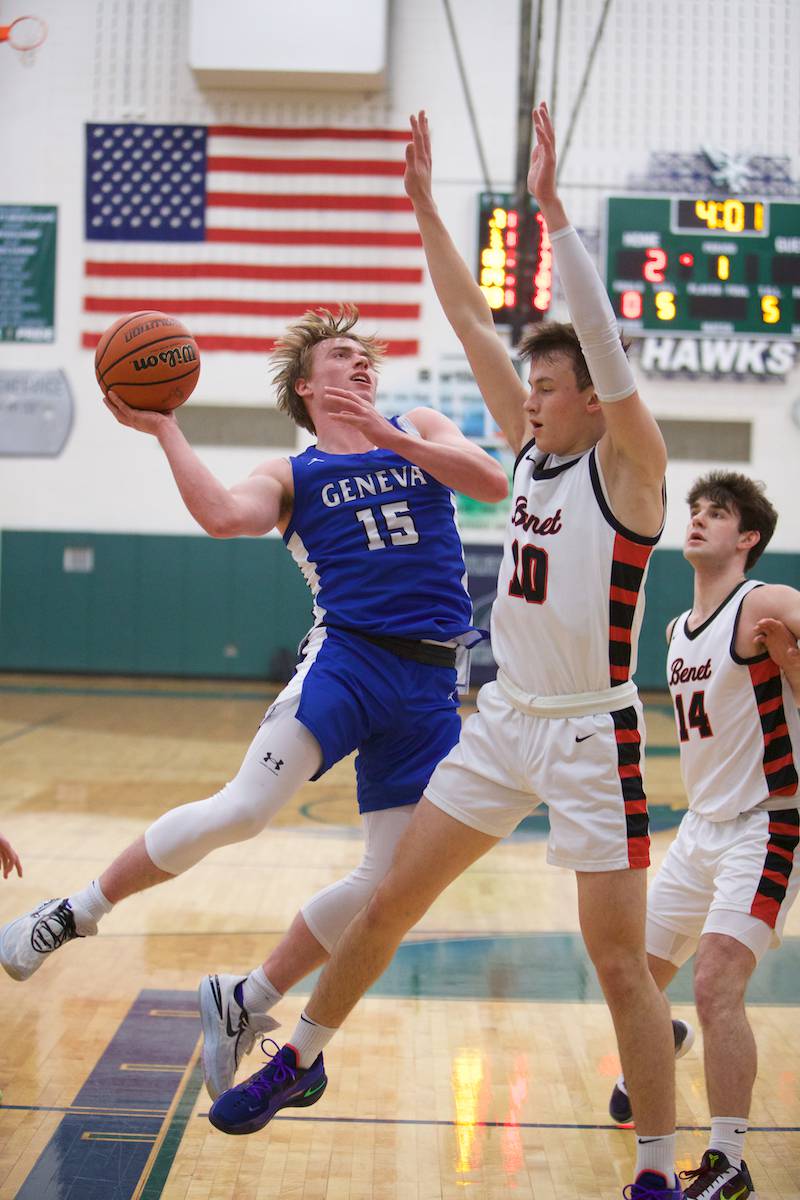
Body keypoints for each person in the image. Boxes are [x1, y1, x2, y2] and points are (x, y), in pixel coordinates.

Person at [207, 104, 682, 1200]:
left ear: (585, 400)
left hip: (591, 734)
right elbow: (468, 313)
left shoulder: (630, 471)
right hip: (502, 718)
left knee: (617, 969)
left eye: (546, 384)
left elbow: (605, 362)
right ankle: (302, 1056)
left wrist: (556, 216)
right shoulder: (525, 453)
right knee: (385, 903)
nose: (525, 393)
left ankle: (656, 1171)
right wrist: (423, 208)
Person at [0, 305, 508, 1103]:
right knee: (243, 810)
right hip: (349, 659)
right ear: (307, 386)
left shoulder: (419, 423)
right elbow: (217, 516)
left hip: (433, 682)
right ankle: (72, 912)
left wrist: (391, 433)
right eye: (343, 358)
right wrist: (166, 429)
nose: (362, 364)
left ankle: (247, 999)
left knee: (389, 883)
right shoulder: (291, 475)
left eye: (367, 357)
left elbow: (493, 483)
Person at [608, 471, 800, 1200]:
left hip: (770, 824)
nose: (697, 521)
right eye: (694, 511)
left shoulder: (767, 603)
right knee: (631, 977)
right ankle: (662, 1049)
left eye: (716, 514)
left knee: (718, 982)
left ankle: (728, 1161)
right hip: (699, 827)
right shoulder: (674, 628)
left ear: (747, 538)